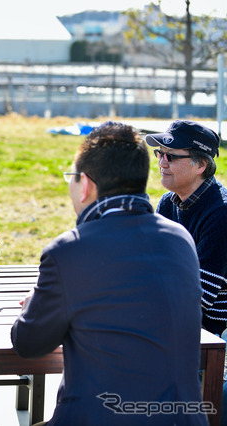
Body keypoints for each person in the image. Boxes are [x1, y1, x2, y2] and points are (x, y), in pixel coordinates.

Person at [11, 122, 208, 425]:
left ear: (86, 185)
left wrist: (35, 301)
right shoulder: (180, 240)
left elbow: (28, 344)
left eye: (72, 178)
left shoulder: (69, 251)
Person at [145, 120, 227, 335]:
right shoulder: (167, 202)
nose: (162, 163)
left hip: (211, 331)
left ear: (200, 166)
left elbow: (199, 297)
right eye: (159, 154)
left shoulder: (221, 212)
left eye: (170, 156)